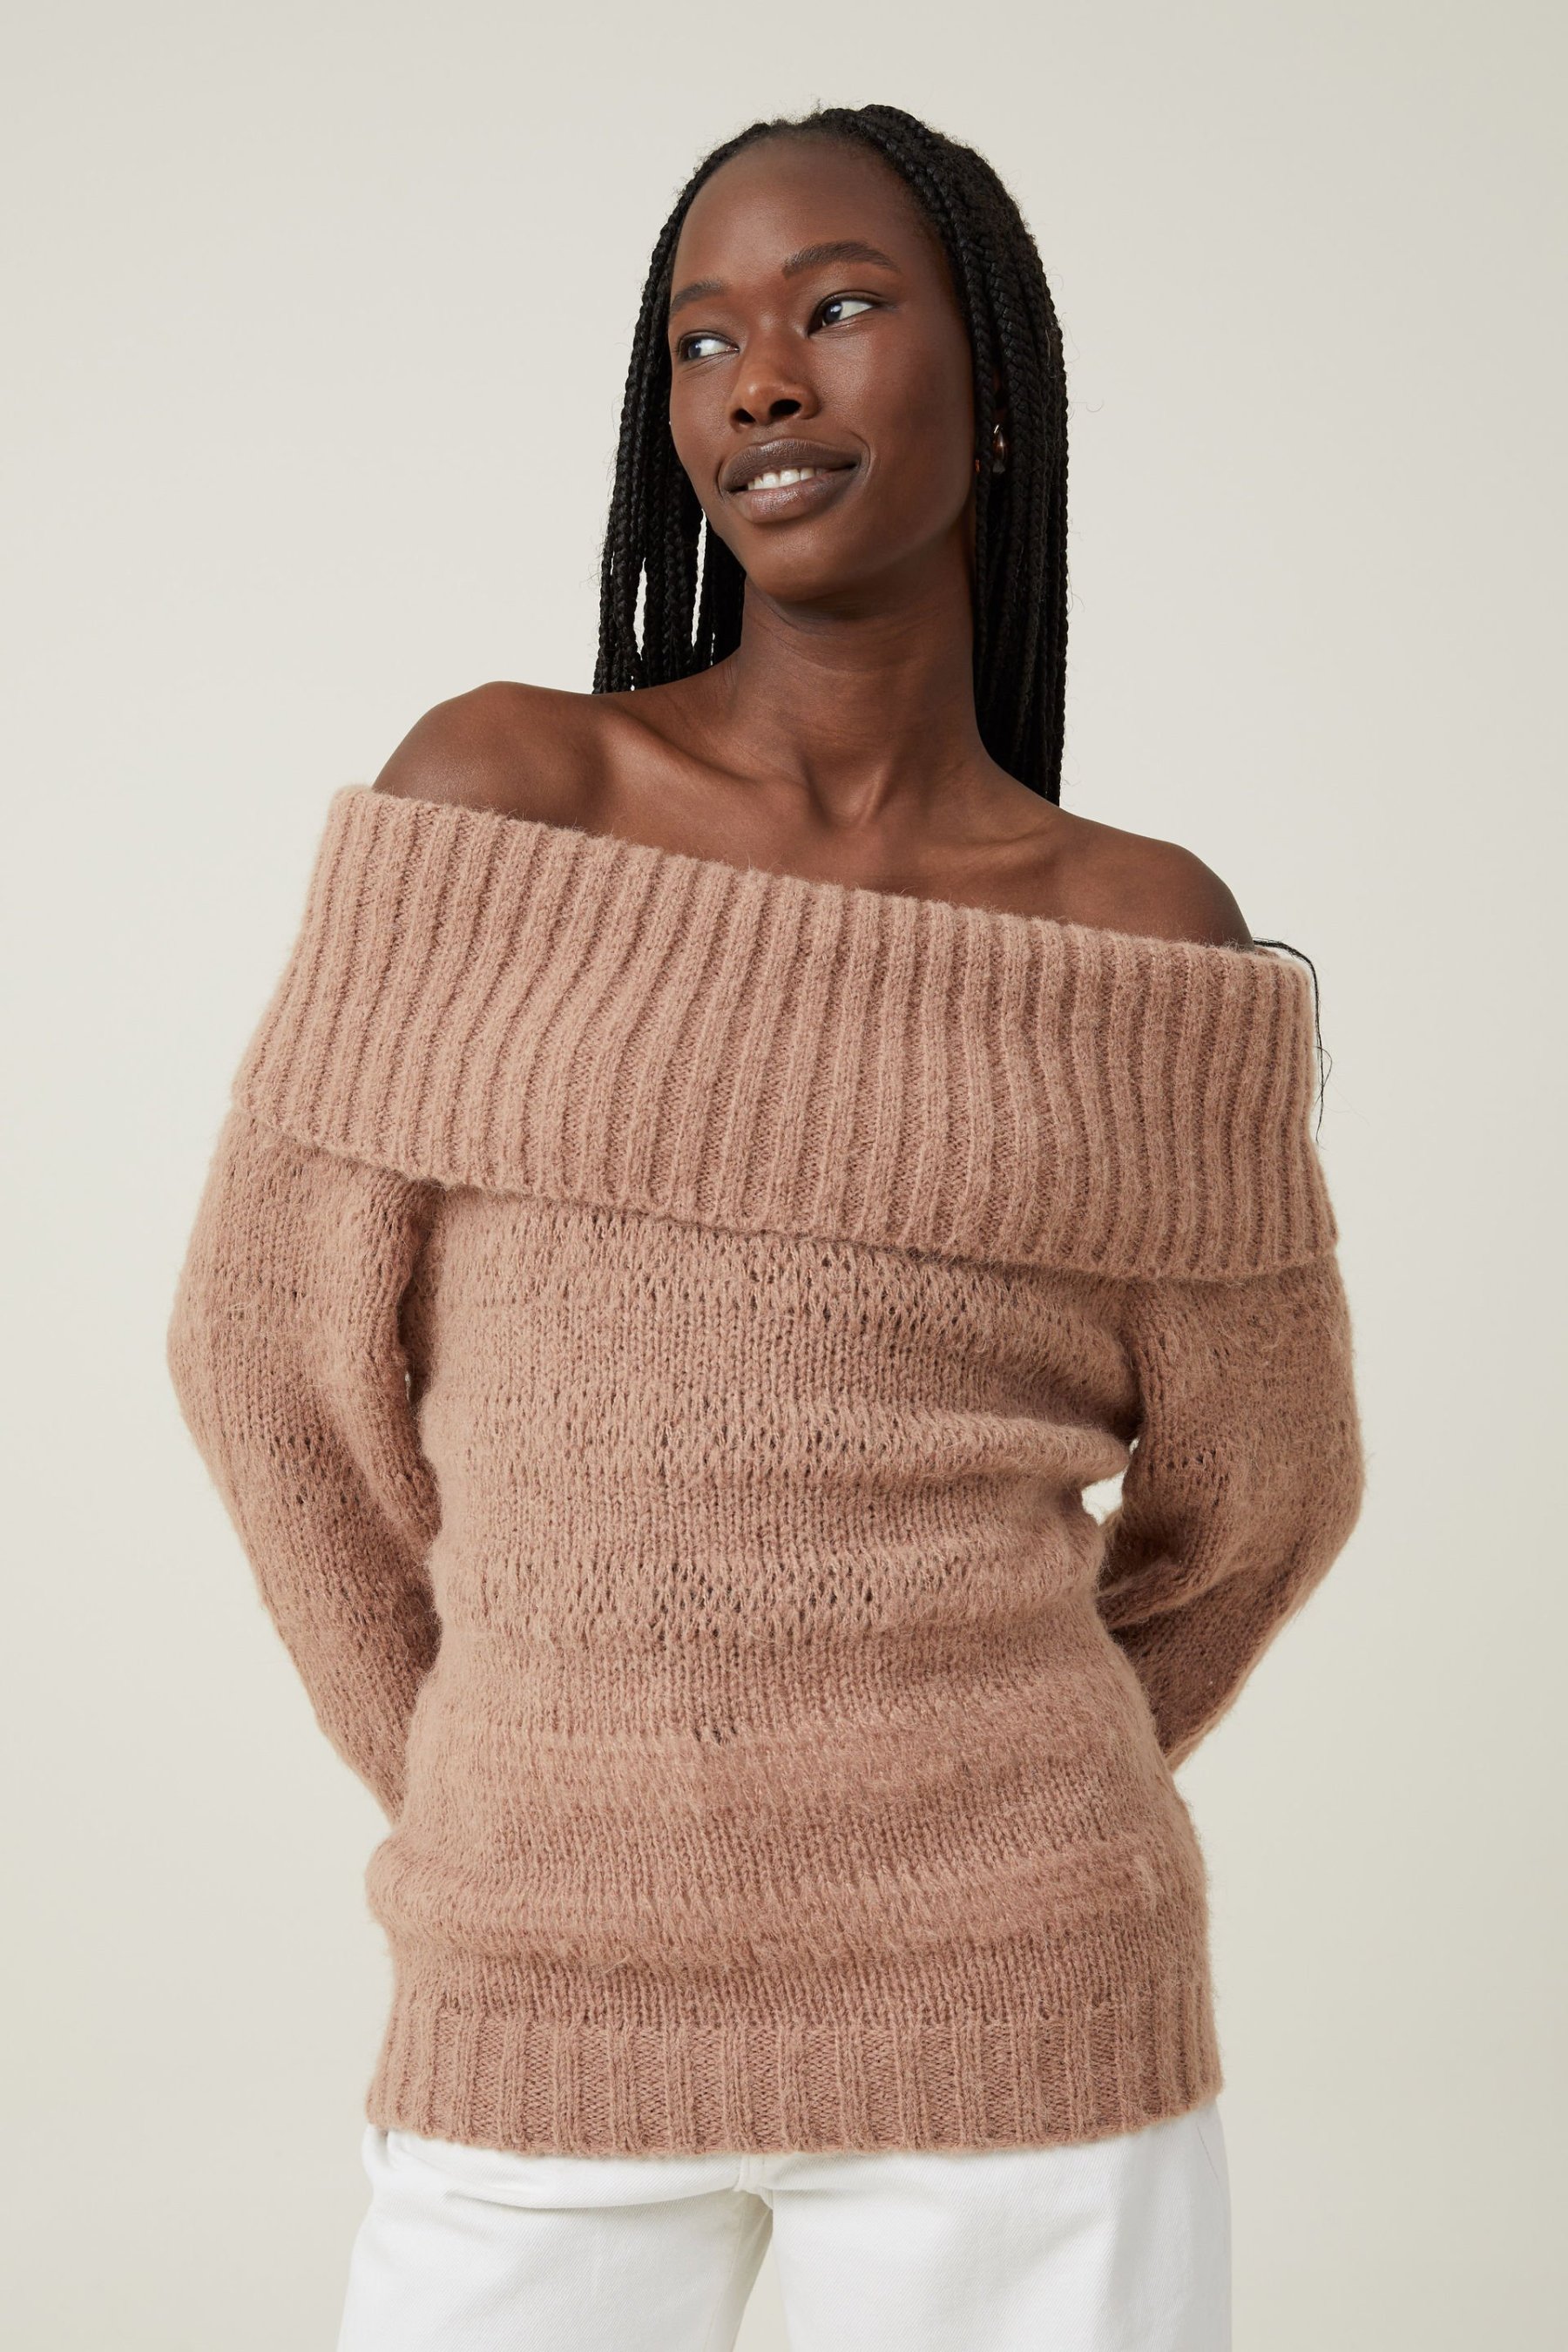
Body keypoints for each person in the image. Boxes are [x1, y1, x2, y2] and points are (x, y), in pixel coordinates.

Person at [165, 102, 1366, 2352]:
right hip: (531, 1977)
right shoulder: (499, 799)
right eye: (703, 340)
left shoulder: (1144, 936)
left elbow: (1267, 1494)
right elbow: (265, 1366)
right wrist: (510, 1785)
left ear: (993, 383)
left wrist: (979, 1808)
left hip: (1022, 2001)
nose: (763, 383)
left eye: (839, 307)